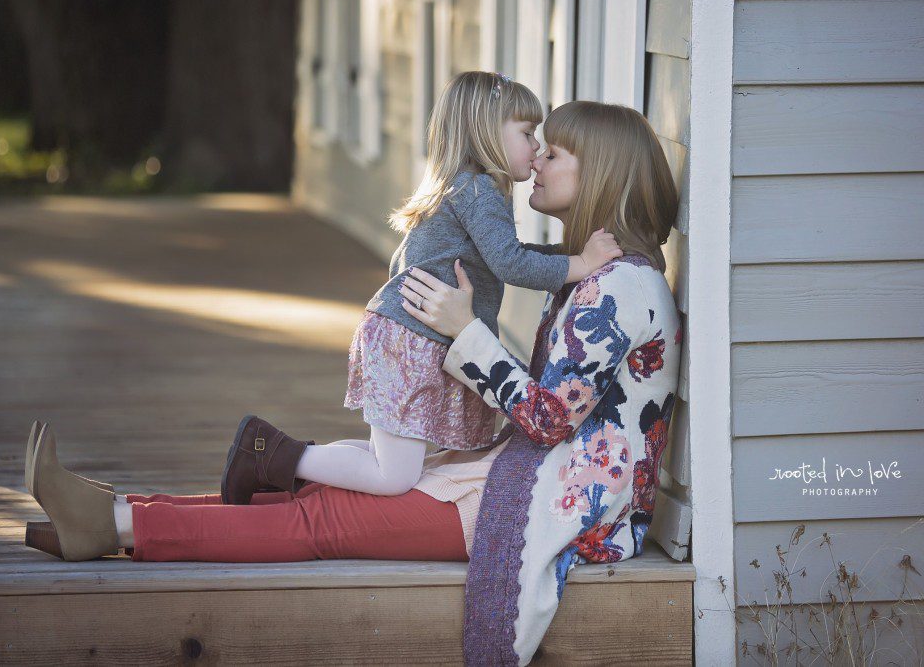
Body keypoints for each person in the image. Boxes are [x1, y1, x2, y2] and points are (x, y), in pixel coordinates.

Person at [24, 100, 681, 667]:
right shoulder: (603, 279)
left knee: (326, 517)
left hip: (559, 509)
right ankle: (112, 514)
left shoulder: (622, 289)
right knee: (321, 493)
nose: (537, 159)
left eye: (556, 152)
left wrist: (463, 330)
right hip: (527, 478)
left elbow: (545, 418)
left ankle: (116, 525)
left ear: (597, 174)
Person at [216, 70, 621, 504]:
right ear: (487, 134)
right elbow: (511, 263)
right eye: (527, 132)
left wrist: (568, 252)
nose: (536, 146)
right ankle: (267, 454)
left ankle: (285, 464)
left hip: (407, 333)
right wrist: (581, 263)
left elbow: (507, 252)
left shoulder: (468, 186)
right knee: (393, 476)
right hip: (412, 337)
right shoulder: (478, 190)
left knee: (384, 458)